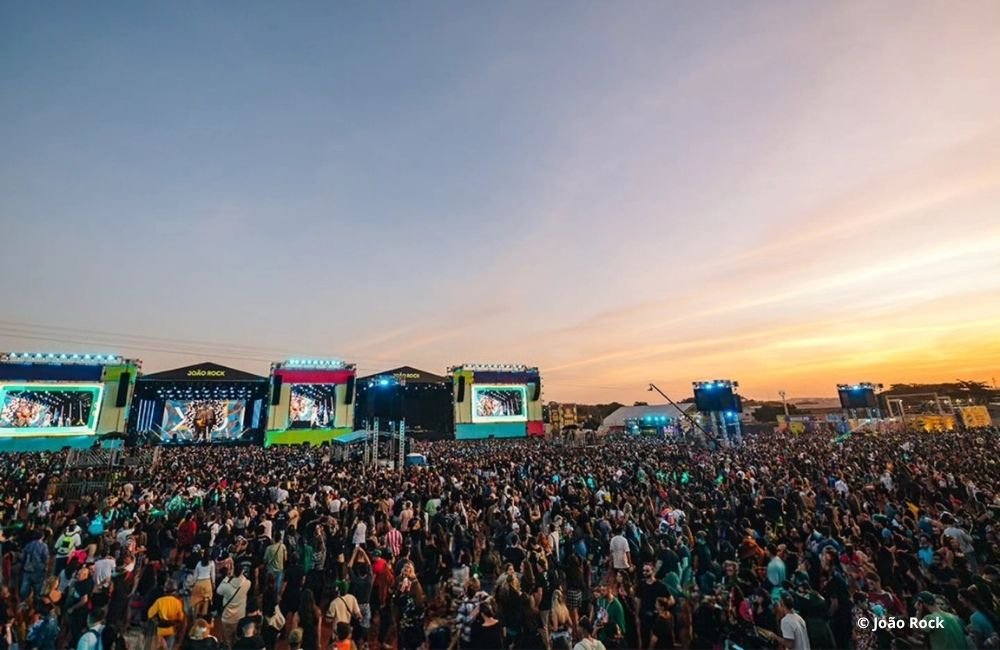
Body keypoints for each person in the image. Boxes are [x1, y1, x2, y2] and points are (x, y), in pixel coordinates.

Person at [216, 565, 251, 648]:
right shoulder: (247, 584)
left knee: (227, 641)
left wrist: (227, 577)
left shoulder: (226, 586)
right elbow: (244, 579)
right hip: (239, 617)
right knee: (237, 640)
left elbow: (218, 591)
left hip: (227, 618)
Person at [147, 579, 186, 650]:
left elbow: (150, 614)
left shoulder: (159, 601)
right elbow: (181, 618)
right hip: (171, 630)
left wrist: (157, 621)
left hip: (160, 630)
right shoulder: (178, 602)